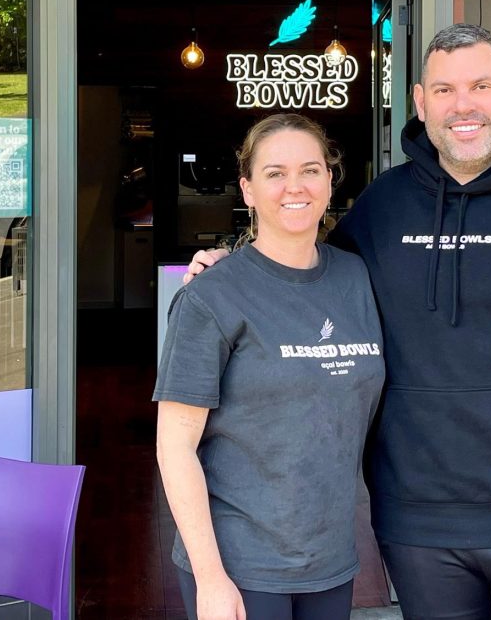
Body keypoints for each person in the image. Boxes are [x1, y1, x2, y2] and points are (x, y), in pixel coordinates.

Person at [188, 26, 491, 619]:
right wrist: (232, 264)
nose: (463, 106)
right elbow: (306, 277)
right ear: (419, 100)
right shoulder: (383, 207)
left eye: (480, 85)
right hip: (416, 527)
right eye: (444, 89)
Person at [155, 113, 385, 620]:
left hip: (330, 559)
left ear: (330, 181)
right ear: (248, 189)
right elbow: (175, 447)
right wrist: (211, 578)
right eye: (275, 173)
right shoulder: (212, 296)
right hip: (240, 568)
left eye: (310, 170)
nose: (295, 187)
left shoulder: (356, 277)